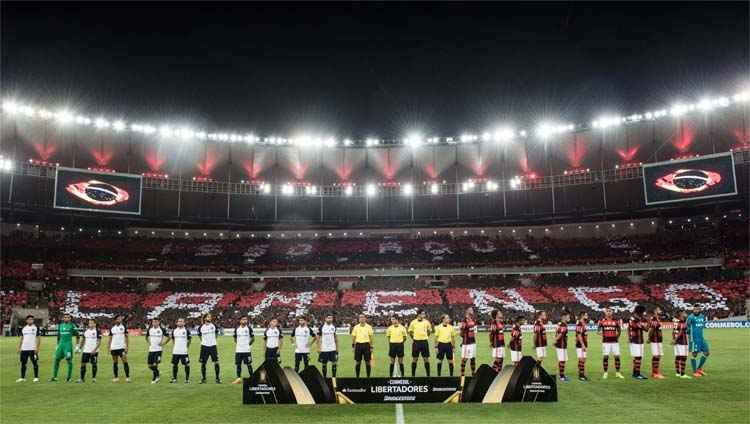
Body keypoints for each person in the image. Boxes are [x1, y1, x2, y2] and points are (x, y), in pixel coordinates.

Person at [50, 313, 79, 382]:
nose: (66, 318)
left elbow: (77, 336)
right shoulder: (60, 325)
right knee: (56, 360)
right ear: (63, 318)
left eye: (68, 317)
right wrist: (57, 345)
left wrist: (77, 346)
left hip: (68, 345)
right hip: (61, 345)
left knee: (69, 360)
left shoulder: (72, 326)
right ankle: (54, 377)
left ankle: (69, 378)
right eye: (65, 317)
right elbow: (58, 336)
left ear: (70, 318)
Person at [597, 308, 624, 379]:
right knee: (605, 357)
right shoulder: (602, 321)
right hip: (605, 342)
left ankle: (618, 373)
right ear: (605, 312)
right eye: (607, 311)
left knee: (617, 356)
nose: (608, 312)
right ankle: (605, 373)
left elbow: (619, 330)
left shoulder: (616, 320)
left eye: (610, 311)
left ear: (612, 312)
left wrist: (617, 337)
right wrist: (601, 333)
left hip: (615, 342)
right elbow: (598, 331)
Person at [408, 309, 433, 377]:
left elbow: (429, 331)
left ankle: (428, 375)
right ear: (418, 314)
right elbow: (410, 331)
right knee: (415, 359)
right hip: (416, 342)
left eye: (424, 314)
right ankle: (413, 375)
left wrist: (426, 336)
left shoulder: (427, 322)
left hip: (424, 342)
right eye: (422, 314)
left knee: (426, 359)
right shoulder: (413, 322)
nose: (424, 315)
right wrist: (414, 338)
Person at [686, 305, 709, 377]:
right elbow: (686, 327)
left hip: (701, 338)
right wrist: (689, 333)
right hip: (694, 339)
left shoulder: (702, 316)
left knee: (706, 352)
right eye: (694, 309)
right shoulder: (690, 317)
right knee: (694, 354)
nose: (695, 311)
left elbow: (701, 326)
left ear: (700, 310)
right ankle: (694, 371)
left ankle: (699, 368)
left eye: (697, 309)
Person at [16, 314, 40, 383]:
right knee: (23, 363)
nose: (31, 320)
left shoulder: (35, 327)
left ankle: (36, 377)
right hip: (24, 349)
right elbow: (22, 338)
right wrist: (19, 347)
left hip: (32, 348)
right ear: (26, 320)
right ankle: (22, 378)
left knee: (34, 363)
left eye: (32, 319)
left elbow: (39, 338)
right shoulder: (24, 328)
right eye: (29, 319)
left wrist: (37, 348)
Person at [146, 318, 170, 384]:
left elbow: (169, 337)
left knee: (155, 364)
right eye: (153, 322)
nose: (154, 323)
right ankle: (157, 372)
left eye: (156, 322)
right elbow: (146, 337)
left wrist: (163, 343)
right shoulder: (150, 329)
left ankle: (155, 378)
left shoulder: (162, 329)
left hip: (158, 350)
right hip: (151, 350)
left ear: (159, 322)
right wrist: (149, 342)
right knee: (149, 365)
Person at [77, 319, 101, 383]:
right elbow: (83, 340)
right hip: (86, 350)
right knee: (83, 364)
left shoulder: (97, 331)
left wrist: (94, 350)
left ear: (95, 324)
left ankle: (94, 378)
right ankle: (82, 379)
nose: (90, 324)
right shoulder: (86, 331)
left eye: (92, 323)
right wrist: (79, 348)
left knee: (94, 364)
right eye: (90, 323)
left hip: (94, 351)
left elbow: (99, 342)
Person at [199, 313, 221, 384]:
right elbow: (200, 335)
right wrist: (204, 341)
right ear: (205, 318)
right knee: (203, 363)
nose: (210, 318)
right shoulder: (201, 327)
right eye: (208, 317)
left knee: (216, 362)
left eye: (210, 317)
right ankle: (203, 379)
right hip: (204, 346)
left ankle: (217, 378)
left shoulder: (214, 326)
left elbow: (216, 334)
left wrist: (213, 340)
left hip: (213, 346)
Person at [351, 314, 374, 378]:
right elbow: (353, 337)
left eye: (363, 317)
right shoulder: (356, 327)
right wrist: (353, 346)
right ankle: (357, 376)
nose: (362, 318)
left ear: (365, 319)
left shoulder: (369, 327)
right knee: (358, 362)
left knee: (368, 362)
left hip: (366, 345)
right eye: (360, 317)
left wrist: (371, 347)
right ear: (358, 319)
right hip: (358, 345)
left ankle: (368, 376)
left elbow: (371, 337)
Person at [108, 314, 130, 383]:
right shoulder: (112, 328)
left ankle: (127, 377)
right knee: (115, 362)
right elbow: (110, 338)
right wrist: (109, 347)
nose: (120, 320)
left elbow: (127, 337)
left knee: (125, 362)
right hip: (114, 347)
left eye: (121, 319)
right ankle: (116, 377)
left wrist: (127, 346)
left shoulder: (124, 327)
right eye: (118, 319)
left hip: (121, 347)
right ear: (115, 320)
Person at [628, 305, 648, 380]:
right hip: (636, 340)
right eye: (642, 313)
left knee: (637, 357)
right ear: (640, 312)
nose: (643, 314)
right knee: (638, 357)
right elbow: (645, 329)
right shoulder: (634, 319)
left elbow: (646, 329)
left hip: (637, 340)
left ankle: (635, 373)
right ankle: (637, 374)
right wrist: (645, 322)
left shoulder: (636, 319)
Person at [232, 316, 253, 384]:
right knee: (238, 365)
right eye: (243, 319)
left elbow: (253, 338)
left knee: (249, 364)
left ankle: (252, 378)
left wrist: (248, 345)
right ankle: (238, 379)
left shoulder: (249, 328)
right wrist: (239, 344)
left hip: (247, 350)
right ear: (240, 321)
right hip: (238, 350)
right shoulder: (237, 329)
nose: (245, 321)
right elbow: (235, 339)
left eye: (246, 319)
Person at [170, 317, 191, 384]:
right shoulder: (174, 331)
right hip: (176, 351)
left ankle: (187, 379)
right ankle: (174, 378)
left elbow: (189, 340)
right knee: (175, 365)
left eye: (181, 321)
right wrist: (175, 346)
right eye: (179, 321)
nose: (180, 322)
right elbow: (173, 339)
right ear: (177, 323)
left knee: (186, 364)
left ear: (184, 323)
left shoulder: (186, 331)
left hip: (184, 351)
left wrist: (186, 347)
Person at [647, 306, 665, 379]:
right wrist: (649, 338)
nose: (660, 311)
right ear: (655, 311)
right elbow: (651, 330)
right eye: (658, 310)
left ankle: (655, 372)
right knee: (656, 356)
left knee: (658, 356)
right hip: (655, 340)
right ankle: (655, 373)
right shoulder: (654, 319)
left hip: (659, 340)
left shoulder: (658, 318)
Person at [672, 310, 691, 379]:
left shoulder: (675, 322)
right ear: (681, 314)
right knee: (684, 357)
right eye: (684, 313)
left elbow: (673, 332)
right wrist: (675, 340)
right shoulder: (682, 322)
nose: (686, 314)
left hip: (677, 343)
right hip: (683, 342)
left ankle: (677, 373)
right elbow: (680, 332)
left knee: (678, 357)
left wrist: (674, 339)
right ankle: (682, 374)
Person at [459, 308, 477, 377]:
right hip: (467, 343)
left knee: (473, 358)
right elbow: (461, 333)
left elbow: (474, 331)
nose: (472, 311)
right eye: (471, 310)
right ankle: (462, 374)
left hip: (473, 342)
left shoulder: (473, 320)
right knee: (465, 359)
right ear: (467, 311)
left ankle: (473, 373)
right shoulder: (464, 320)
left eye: (473, 310)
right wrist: (463, 341)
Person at [554, 310, 570, 382]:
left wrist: (555, 341)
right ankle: (561, 376)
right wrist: (555, 340)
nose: (569, 317)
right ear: (564, 317)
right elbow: (560, 334)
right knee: (562, 360)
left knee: (562, 360)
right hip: (562, 345)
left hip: (560, 345)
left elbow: (557, 333)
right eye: (568, 316)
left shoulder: (560, 324)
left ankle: (562, 374)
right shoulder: (563, 325)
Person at [575, 312, 589, 381]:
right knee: (582, 360)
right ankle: (581, 376)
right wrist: (583, 345)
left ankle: (580, 373)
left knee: (583, 360)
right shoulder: (580, 324)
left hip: (584, 344)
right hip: (581, 345)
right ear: (582, 316)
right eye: (586, 315)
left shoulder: (583, 324)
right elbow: (579, 335)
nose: (587, 316)